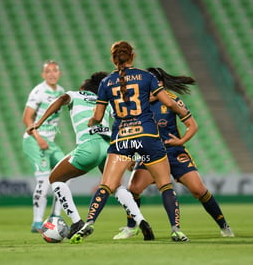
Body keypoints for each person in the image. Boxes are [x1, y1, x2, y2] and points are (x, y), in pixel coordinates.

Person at [71, 41, 190, 244]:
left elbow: (98, 117)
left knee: (106, 185)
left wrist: (91, 121)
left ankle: (88, 223)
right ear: (132, 56)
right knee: (164, 185)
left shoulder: (106, 82)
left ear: (113, 59)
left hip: (122, 138)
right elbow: (169, 102)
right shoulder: (147, 77)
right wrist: (184, 113)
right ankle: (176, 230)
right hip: (148, 136)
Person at [27, 72, 154, 241]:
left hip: (89, 146)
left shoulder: (73, 94)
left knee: (55, 179)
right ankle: (141, 221)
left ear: (83, 88)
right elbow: (124, 122)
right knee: (115, 186)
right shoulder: (106, 103)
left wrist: (39, 123)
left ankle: (77, 222)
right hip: (109, 147)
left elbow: (59, 101)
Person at [113, 67, 234, 239]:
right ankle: (132, 227)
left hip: (173, 152)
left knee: (199, 190)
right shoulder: (136, 104)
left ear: (160, 85)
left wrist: (181, 141)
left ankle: (223, 225)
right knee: (134, 189)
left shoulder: (171, 100)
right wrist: (131, 155)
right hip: (150, 153)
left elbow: (192, 125)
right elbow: (129, 131)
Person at [22, 60, 65, 233]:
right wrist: (38, 137)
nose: (52, 74)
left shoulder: (61, 92)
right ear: (43, 75)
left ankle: (55, 216)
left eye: (55, 70)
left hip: (50, 142)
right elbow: (26, 118)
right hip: (34, 139)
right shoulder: (38, 91)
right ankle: (37, 222)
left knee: (66, 173)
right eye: (48, 71)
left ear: (59, 73)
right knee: (44, 179)